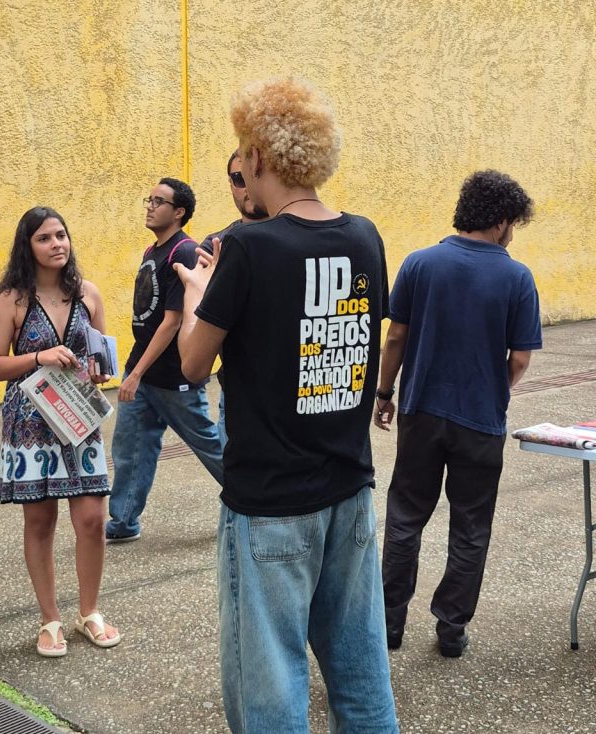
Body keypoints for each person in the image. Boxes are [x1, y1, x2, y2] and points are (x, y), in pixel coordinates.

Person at [174, 78, 399, 733]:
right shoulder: (365, 237)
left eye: (242, 155)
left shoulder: (247, 247)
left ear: (260, 158)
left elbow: (191, 365)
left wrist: (199, 292)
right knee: (361, 682)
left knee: (269, 695)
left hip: (270, 505)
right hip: (349, 492)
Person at [373, 170, 542, 657]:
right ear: (503, 218)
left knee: (405, 516)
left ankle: (389, 623)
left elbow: (396, 337)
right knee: (470, 526)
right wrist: (493, 389)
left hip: (421, 412)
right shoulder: (517, 277)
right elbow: (522, 358)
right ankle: (451, 629)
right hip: (480, 422)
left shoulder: (420, 263)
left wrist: (385, 394)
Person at [0, 206, 120, 656]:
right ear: (28, 246)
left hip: (79, 417)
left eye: (61, 234)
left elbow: (101, 355)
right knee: (40, 521)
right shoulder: (11, 299)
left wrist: (100, 372)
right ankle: (50, 620)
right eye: (44, 238)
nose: (57, 244)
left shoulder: (89, 294)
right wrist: (38, 358)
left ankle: (90, 612)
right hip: (31, 420)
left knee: (93, 520)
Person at [105, 178, 223, 543]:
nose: (150, 206)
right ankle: (123, 522)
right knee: (130, 448)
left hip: (174, 378)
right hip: (142, 371)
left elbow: (173, 322)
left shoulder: (183, 253)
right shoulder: (151, 252)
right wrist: (135, 369)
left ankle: (258, 499)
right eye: (149, 199)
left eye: (159, 201)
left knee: (209, 445)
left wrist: (136, 374)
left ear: (179, 212)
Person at [200, 151, 269, 446]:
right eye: (238, 179)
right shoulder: (216, 245)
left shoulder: (300, 237)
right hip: (238, 392)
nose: (247, 187)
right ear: (230, 184)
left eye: (253, 177)